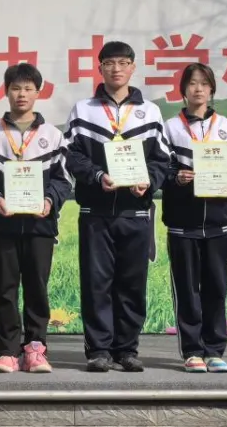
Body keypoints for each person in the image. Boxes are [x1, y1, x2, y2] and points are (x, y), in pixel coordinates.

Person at [64, 40, 172, 373]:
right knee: (96, 283)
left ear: (132, 68)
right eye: (109, 63)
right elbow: (71, 156)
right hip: (95, 212)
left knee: (132, 283)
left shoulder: (150, 112)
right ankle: (98, 350)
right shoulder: (84, 110)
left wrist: (148, 182)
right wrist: (97, 176)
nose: (116, 69)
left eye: (123, 63)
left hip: (135, 212)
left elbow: (162, 160)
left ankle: (126, 349)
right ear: (100, 68)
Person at [0, 63, 71, 374]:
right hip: (3, 223)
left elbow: (64, 179)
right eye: (16, 88)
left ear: (38, 93)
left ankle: (36, 349)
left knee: (38, 287)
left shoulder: (52, 135)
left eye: (28, 88)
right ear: (6, 91)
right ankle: (8, 352)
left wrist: (50, 200)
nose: (22, 94)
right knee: (5, 288)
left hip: (40, 224)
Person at [161, 63, 227, 373]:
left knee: (216, 288)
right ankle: (192, 351)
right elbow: (159, 169)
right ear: (183, 90)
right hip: (182, 223)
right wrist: (176, 177)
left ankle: (214, 350)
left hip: (219, 222)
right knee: (187, 289)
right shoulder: (170, 128)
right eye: (192, 83)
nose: (198, 89)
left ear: (212, 89)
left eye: (204, 83)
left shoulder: (225, 126)